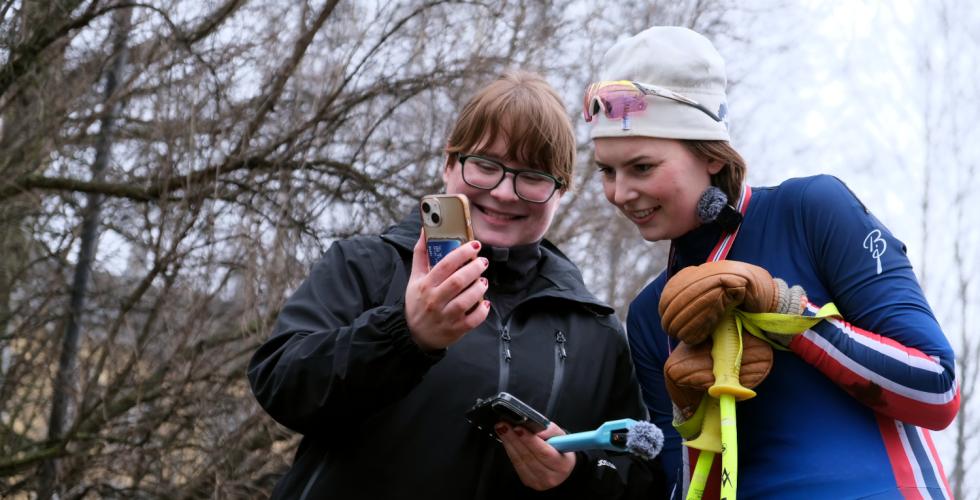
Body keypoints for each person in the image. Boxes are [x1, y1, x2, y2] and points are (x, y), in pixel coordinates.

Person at [248, 71, 664, 499]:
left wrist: (573, 476)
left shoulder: (596, 331)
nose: (504, 192)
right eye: (485, 166)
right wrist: (405, 335)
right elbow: (281, 385)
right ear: (450, 163)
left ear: (561, 193)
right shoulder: (367, 264)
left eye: (534, 176)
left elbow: (640, 477)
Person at [582, 26, 959, 499]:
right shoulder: (650, 313)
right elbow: (688, 490)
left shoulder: (812, 209)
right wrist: (690, 411)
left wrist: (791, 317)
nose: (620, 193)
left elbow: (937, 390)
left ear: (710, 155)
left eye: (641, 167)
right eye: (607, 171)